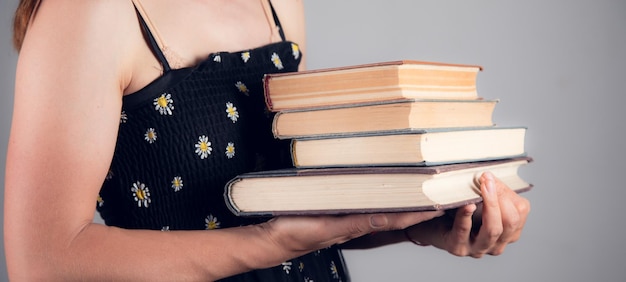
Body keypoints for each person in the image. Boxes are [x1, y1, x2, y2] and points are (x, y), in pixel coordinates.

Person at [4, 0, 530, 281]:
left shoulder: (278, 3)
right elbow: (46, 261)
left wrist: (419, 226)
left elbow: (297, 204)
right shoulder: (88, 10)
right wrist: (265, 247)